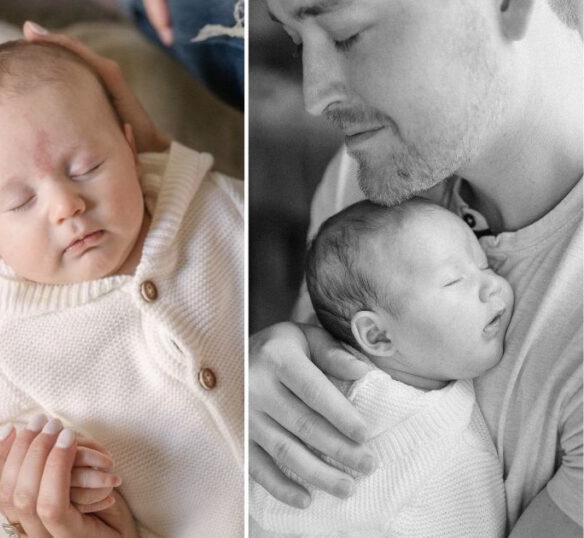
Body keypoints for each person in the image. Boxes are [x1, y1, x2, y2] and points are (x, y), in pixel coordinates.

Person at [249, 0, 582, 535]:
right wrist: (271, 390)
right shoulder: (371, 178)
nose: (314, 97)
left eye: (346, 34)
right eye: (295, 41)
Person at [0, 38, 244, 537]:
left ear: (131, 151)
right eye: (21, 201)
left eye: (86, 168)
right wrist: (60, 473)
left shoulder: (212, 206)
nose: (66, 205)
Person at [251, 199, 509, 536]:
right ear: (377, 335)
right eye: (453, 281)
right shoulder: (379, 422)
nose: (492, 284)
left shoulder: (427, 371)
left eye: (485, 265)